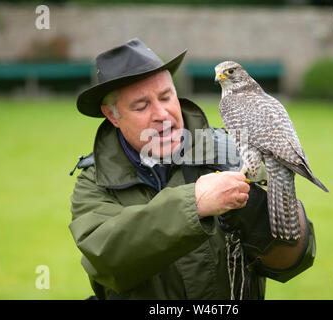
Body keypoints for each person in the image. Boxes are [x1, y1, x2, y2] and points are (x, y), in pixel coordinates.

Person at [69, 38, 316, 300]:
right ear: (112, 115)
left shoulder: (231, 153)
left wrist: (262, 222)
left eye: (166, 96)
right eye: (142, 106)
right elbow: (107, 259)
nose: (162, 114)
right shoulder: (96, 182)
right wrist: (194, 203)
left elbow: (295, 261)